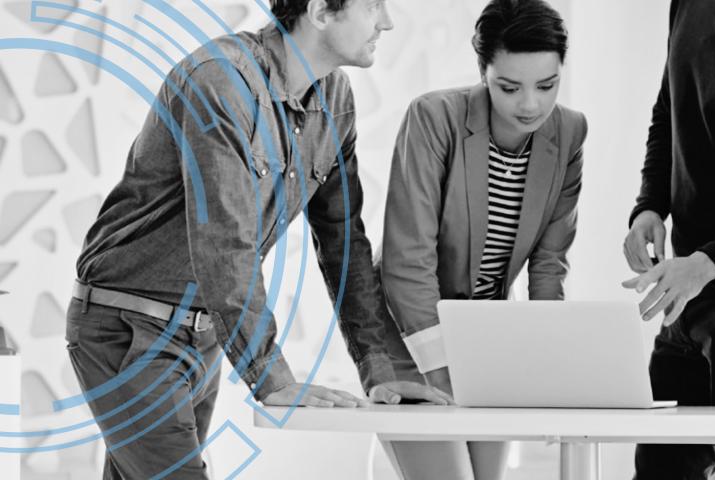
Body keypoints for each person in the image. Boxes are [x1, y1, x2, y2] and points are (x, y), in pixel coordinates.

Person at [65, 1, 451, 478]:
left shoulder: (335, 100)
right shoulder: (219, 81)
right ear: (320, 12)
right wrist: (270, 377)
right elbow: (226, 240)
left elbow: (344, 243)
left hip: (203, 333)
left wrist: (380, 369)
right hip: (130, 326)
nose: (387, 22)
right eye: (372, 6)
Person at [375, 0, 587, 478]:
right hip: (407, 327)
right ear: (483, 72)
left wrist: (545, 352)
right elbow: (407, 259)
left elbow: (550, 262)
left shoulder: (570, 131)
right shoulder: (434, 118)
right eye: (508, 87)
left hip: (486, 330)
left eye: (547, 85)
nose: (530, 104)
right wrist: (444, 370)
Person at [622, 0, 715, 478]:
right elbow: (669, 107)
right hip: (685, 302)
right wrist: (649, 205)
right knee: (659, 469)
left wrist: (705, 264)